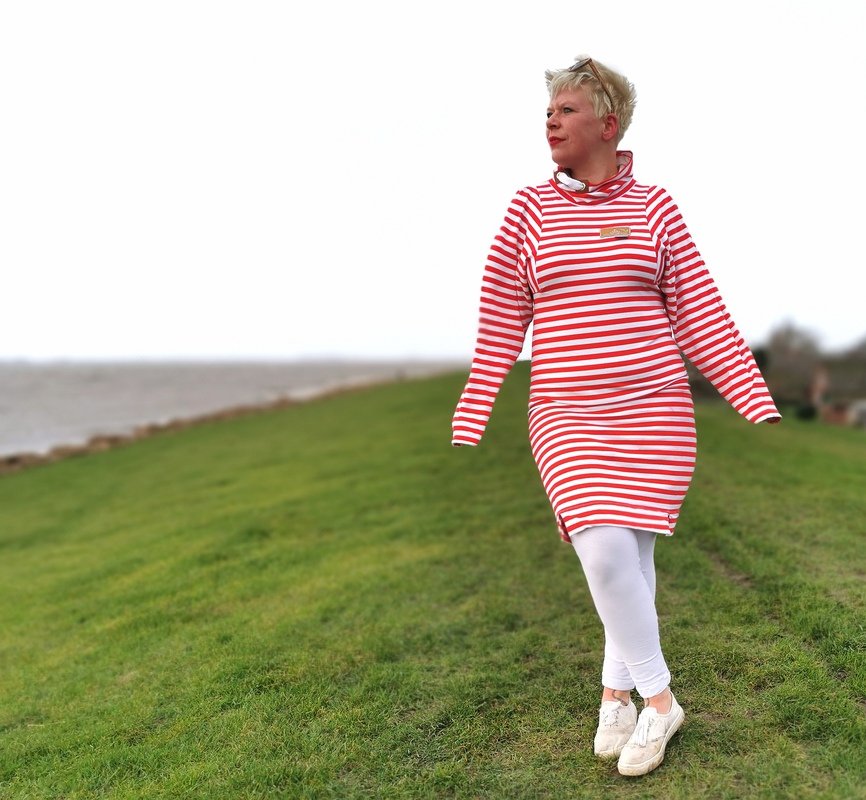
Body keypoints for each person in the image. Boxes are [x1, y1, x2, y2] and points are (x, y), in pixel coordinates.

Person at [451, 55, 781, 777]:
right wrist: (475, 407)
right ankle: (662, 701)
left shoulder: (656, 207)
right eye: (547, 112)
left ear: (608, 123)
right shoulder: (527, 211)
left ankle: (616, 695)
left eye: (565, 110)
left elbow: (699, 311)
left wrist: (751, 396)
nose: (550, 121)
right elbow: (501, 317)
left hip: (654, 409)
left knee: (630, 558)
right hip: (565, 411)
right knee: (601, 550)